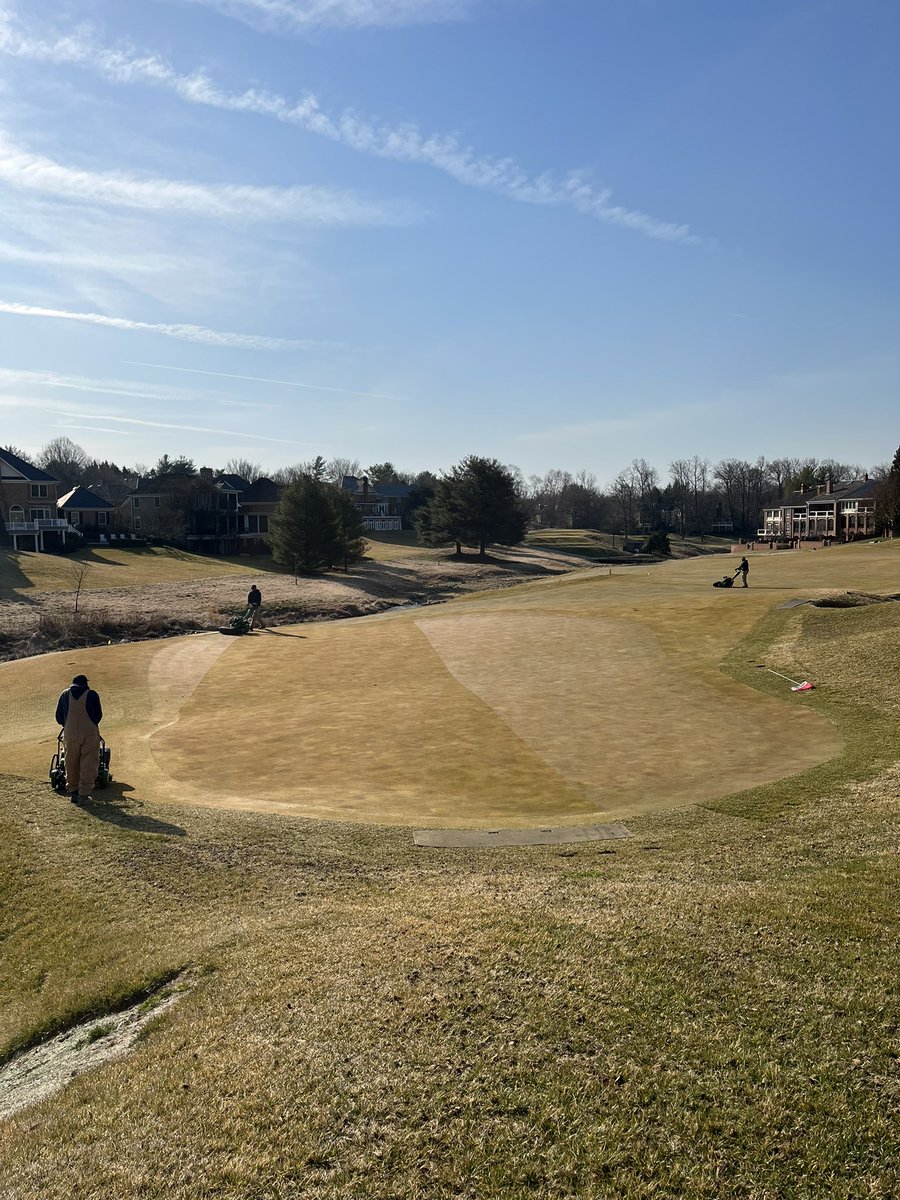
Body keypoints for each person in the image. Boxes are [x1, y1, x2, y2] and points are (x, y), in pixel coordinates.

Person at [55, 674, 103, 804]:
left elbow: (59, 717)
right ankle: (84, 795)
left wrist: (68, 725)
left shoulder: (64, 695)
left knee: (71, 762)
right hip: (89, 733)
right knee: (89, 763)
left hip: (70, 734)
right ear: (85, 684)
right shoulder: (92, 694)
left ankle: (74, 792)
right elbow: (98, 715)